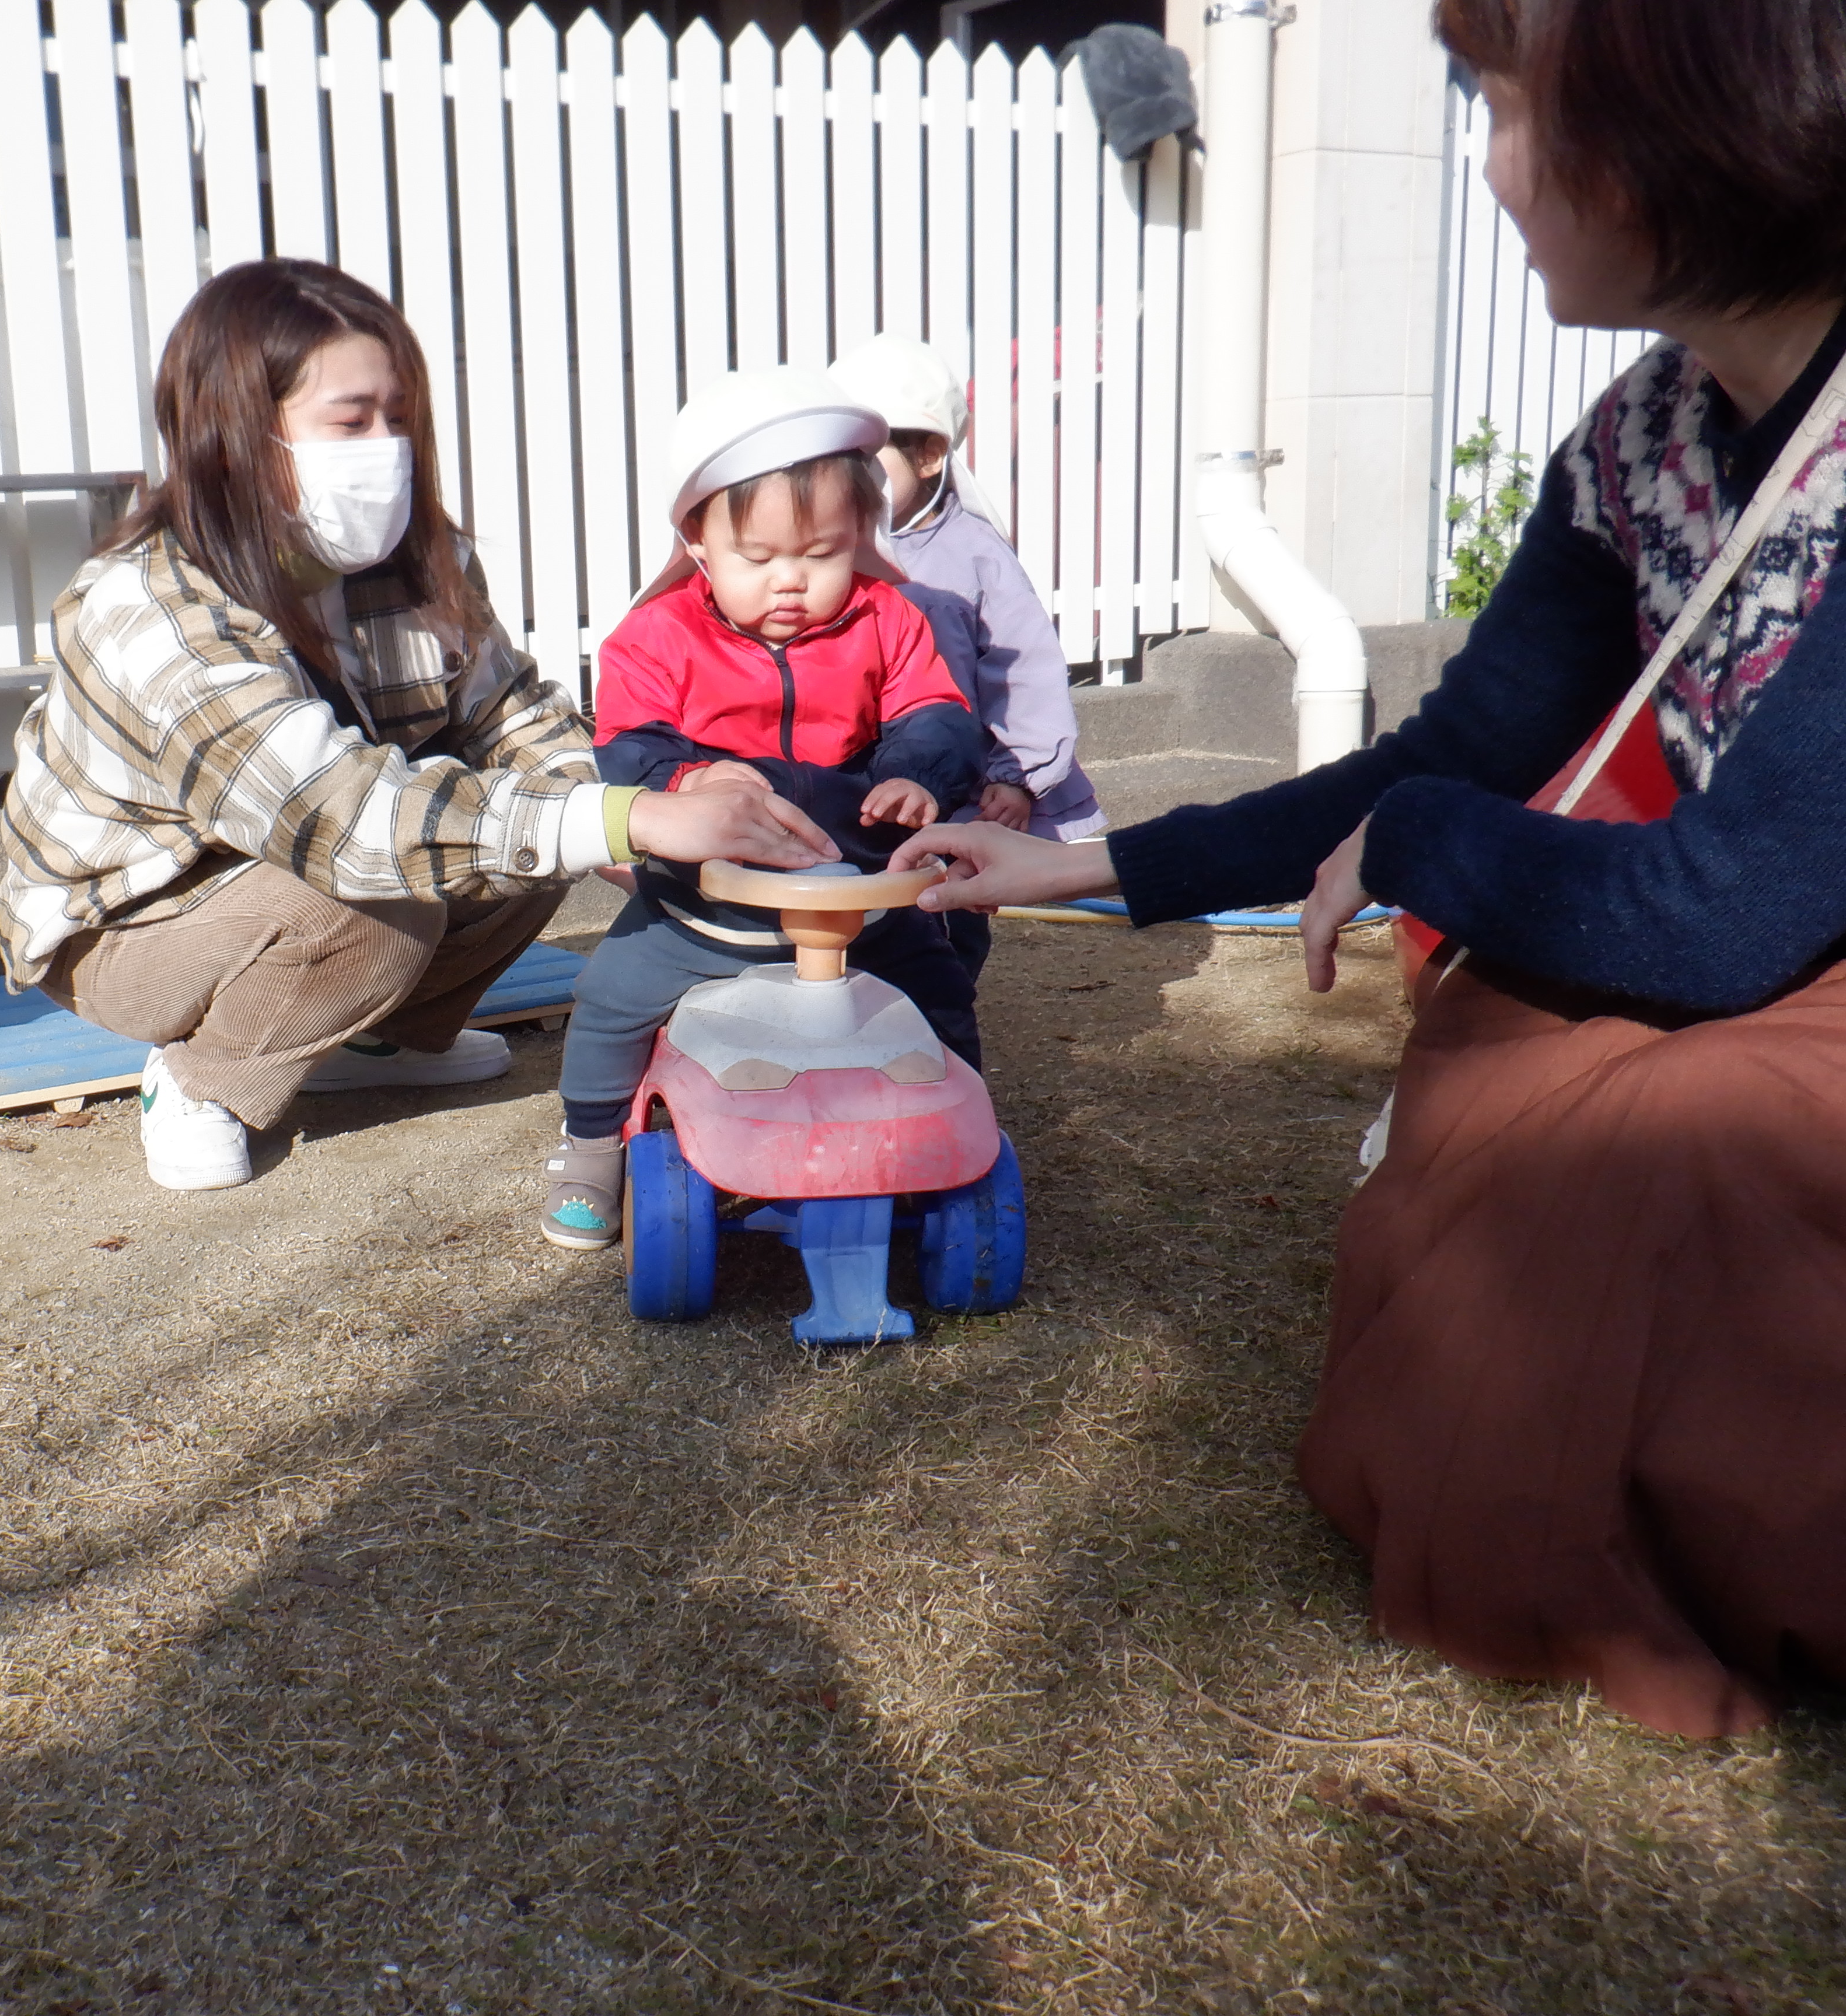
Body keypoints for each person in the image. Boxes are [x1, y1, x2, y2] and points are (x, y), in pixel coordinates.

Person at [883, 0, 1846, 1738]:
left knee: (1655, 1152)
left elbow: (1724, 915)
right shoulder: (1642, 436)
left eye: (1511, 109)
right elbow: (1445, 755)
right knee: (1498, 1087)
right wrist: (1076, 866)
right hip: (1758, 941)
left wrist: (1419, 846)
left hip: (1774, 955)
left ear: (1695, 108)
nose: (1492, 169)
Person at [0, 260, 835, 1194]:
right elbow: (334, 817)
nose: (387, 446)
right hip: (131, 922)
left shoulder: (409, 560)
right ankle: (206, 1077)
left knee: (541, 825)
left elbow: (511, 714)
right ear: (232, 432)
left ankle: (376, 1038)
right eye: (351, 420)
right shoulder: (151, 605)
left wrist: (643, 809)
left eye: (398, 417)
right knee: (384, 898)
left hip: (288, 870)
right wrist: (631, 819)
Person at [539, 368, 990, 1251]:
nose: (792, 581)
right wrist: (688, 780)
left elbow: (936, 709)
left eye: (821, 554)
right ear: (699, 543)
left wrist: (917, 773)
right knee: (610, 995)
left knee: (940, 988)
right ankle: (590, 1142)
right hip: (707, 902)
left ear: (860, 539)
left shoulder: (888, 620)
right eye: (759, 558)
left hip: (858, 898)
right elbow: (628, 742)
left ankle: (948, 1124)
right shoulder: (657, 637)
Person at [828, 332, 1106, 840]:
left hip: (975, 784)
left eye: (866, 458)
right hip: (879, 782)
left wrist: (1016, 775)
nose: (850, 478)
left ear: (929, 455)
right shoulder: (827, 548)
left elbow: (1023, 669)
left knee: (964, 875)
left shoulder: (972, 553)